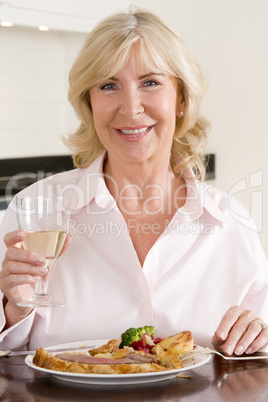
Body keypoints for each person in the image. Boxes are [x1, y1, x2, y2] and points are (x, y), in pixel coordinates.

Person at [0, 8, 267, 355]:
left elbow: (257, 344)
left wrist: (258, 335)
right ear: (89, 103)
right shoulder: (33, 212)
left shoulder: (231, 222)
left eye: (150, 83)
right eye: (109, 86)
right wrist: (14, 310)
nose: (131, 108)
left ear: (181, 99)